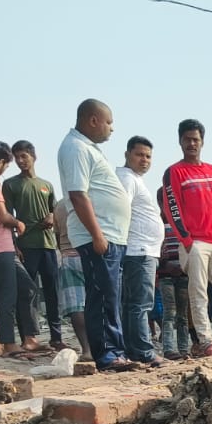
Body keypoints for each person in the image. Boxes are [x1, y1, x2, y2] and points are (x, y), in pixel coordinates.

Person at [58, 99, 133, 371]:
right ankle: (108, 355)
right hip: (98, 236)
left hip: (110, 235)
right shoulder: (75, 148)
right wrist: (97, 234)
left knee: (110, 295)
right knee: (102, 295)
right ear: (93, 120)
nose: (111, 129)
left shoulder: (87, 148)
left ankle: (115, 351)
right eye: (109, 122)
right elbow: (78, 195)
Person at [160, 119, 212, 356]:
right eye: (187, 139)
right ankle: (207, 341)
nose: (191, 143)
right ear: (180, 141)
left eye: (195, 139)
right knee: (198, 292)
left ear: (202, 142)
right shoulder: (174, 172)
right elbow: (171, 207)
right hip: (194, 243)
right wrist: (187, 241)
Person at [0, 140, 40, 357]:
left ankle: (30, 338)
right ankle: (9, 343)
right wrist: (18, 223)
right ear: (1, 162)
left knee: (28, 287)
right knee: (7, 294)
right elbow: (3, 216)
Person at [4, 141, 64, 348]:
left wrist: (50, 216)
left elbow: (55, 211)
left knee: (52, 292)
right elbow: (6, 218)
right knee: (27, 292)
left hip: (48, 246)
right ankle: (28, 337)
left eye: (24, 156)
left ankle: (57, 337)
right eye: (17, 157)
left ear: (33, 156)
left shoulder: (46, 184)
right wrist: (14, 246)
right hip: (26, 245)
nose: (20, 161)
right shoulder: (11, 184)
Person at [117, 135, 165, 367]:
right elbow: (121, 210)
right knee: (140, 304)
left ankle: (134, 349)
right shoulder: (127, 178)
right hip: (138, 249)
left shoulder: (134, 179)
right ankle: (143, 351)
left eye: (148, 156)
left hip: (143, 250)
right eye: (139, 155)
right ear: (127, 154)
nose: (144, 160)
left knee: (135, 303)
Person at [51, 196, 91, 361]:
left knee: (77, 306)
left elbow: (58, 235)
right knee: (97, 303)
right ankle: (102, 346)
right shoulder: (90, 198)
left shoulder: (60, 205)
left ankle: (87, 350)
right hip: (91, 252)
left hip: (68, 255)